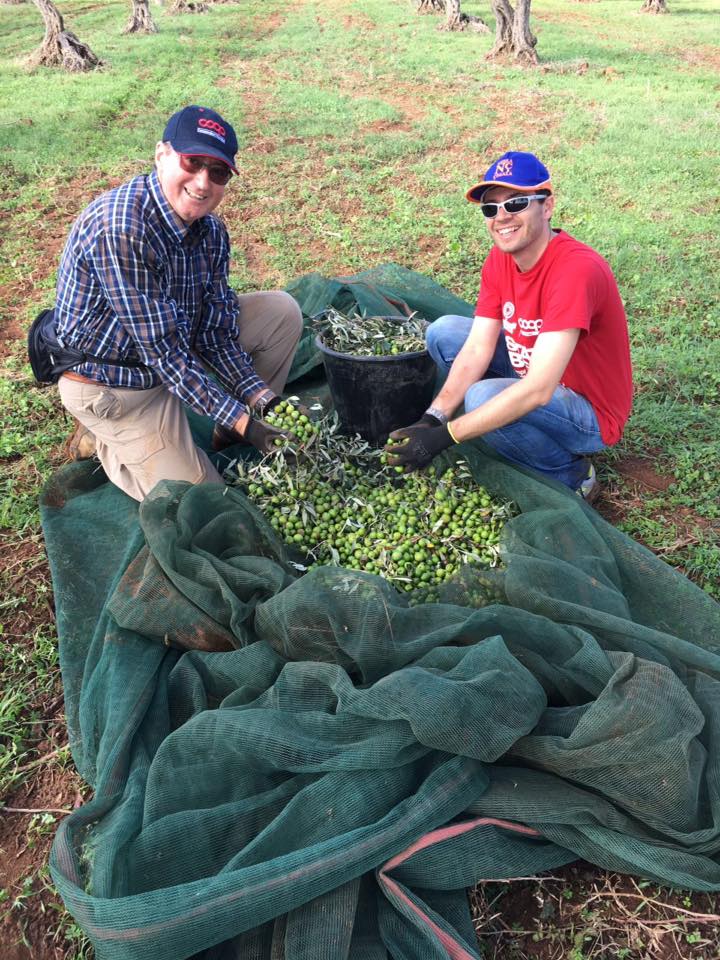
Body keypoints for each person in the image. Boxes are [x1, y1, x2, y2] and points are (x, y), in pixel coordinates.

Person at [55, 104, 304, 502]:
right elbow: (166, 353)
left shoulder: (212, 232)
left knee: (281, 313)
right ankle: (105, 441)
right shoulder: (122, 228)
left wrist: (264, 402)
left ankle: (228, 430)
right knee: (203, 502)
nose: (203, 183)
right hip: (115, 384)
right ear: (161, 155)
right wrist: (247, 424)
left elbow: (216, 334)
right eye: (192, 162)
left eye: (218, 172)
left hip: (170, 352)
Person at [386, 150, 632, 501]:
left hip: (587, 412)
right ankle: (502, 421)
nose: (502, 217)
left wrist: (447, 437)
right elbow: (475, 347)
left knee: (482, 396)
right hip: (534, 374)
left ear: (546, 206)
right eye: (491, 208)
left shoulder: (575, 270)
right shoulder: (500, 259)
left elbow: (538, 390)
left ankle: (572, 474)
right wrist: (434, 419)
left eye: (516, 203)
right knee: (445, 332)